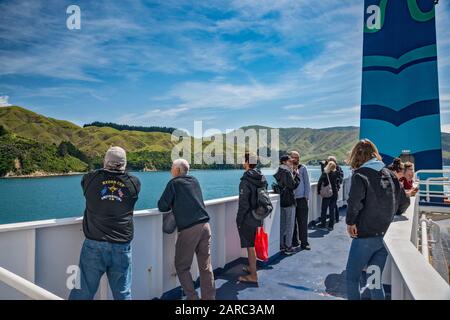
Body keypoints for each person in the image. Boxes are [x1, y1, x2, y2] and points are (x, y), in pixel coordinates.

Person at [69, 146, 141, 300]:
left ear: (105, 162)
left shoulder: (90, 179)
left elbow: (88, 180)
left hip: (94, 244)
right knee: (123, 294)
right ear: (124, 164)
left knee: (82, 292)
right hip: (122, 246)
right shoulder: (134, 183)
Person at [345, 139, 410, 300]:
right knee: (374, 281)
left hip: (365, 236)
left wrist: (350, 222)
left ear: (357, 155)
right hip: (384, 237)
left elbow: (354, 203)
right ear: (374, 154)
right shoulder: (390, 174)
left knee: (351, 278)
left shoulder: (360, 174)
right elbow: (403, 202)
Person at [158, 159, 215, 300]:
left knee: (182, 266)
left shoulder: (174, 183)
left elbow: (162, 206)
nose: (171, 170)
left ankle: (192, 298)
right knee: (205, 266)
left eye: (172, 167)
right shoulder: (194, 180)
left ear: (177, 170)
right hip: (205, 226)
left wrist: (173, 204)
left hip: (190, 229)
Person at [236, 153, 268, 284]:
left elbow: (243, 204)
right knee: (253, 244)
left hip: (249, 218)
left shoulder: (245, 181)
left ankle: (253, 275)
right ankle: (251, 267)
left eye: (244, 161)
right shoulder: (262, 177)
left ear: (248, 163)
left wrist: (239, 220)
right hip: (259, 215)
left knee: (250, 246)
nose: (243, 163)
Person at [274, 155, 300, 255]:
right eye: (289, 161)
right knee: (290, 225)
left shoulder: (278, 171)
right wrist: (296, 175)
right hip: (289, 201)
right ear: (284, 162)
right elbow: (293, 186)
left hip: (282, 200)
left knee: (282, 225)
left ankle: (281, 244)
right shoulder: (286, 172)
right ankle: (288, 247)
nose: (291, 163)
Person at [290, 151, 311, 250]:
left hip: (301, 199)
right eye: (294, 157)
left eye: (298, 158)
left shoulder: (302, 168)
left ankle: (304, 242)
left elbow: (307, 183)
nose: (296, 160)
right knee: (292, 222)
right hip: (291, 199)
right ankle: (294, 241)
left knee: (302, 221)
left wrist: (306, 197)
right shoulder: (286, 169)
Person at [317, 161, 340, 231]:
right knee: (332, 210)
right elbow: (338, 182)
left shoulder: (325, 173)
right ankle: (331, 226)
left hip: (327, 193)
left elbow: (320, 182)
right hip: (335, 193)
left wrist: (318, 192)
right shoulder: (336, 173)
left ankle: (323, 224)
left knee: (324, 209)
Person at [320, 156, 344, 222]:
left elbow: (323, 175)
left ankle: (324, 223)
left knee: (326, 208)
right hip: (335, 189)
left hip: (329, 190)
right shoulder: (338, 169)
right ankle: (335, 219)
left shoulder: (328, 170)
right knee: (333, 206)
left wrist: (322, 165)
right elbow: (340, 178)